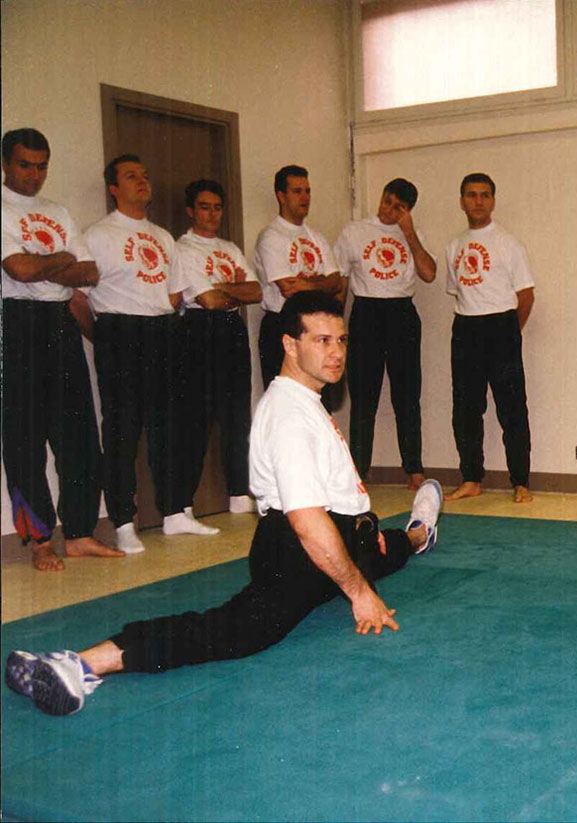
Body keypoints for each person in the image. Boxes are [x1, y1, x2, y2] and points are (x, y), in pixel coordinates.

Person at [4, 292, 445, 717]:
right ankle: (78, 664)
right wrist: (359, 594)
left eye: (341, 340)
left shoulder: (307, 401)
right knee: (240, 631)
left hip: (343, 535)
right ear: (290, 344)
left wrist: (364, 529)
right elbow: (308, 522)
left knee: (384, 552)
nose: (336, 353)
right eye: (322, 340)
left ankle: (420, 531)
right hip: (299, 550)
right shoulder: (289, 417)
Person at [0, 128, 124, 570]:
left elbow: (89, 272)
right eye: (24, 165)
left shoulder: (58, 212)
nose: (34, 175)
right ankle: (39, 541)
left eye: (41, 166)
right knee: (25, 442)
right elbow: (18, 269)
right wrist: (60, 262)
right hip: (16, 322)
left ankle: (79, 533)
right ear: (5, 163)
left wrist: (42, 267)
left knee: (80, 436)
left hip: (60, 321)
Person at [83, 154, 219, 551]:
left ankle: (174, 513)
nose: (142, 181)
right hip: (119, 331)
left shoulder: (162, 237)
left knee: (169, 427)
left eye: (144, 175)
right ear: (113, 188)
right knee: (122, 431)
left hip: (162, 330)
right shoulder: (98, 235)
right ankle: (124, 521)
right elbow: (78, 298)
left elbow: (174, 294)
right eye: (131, 176)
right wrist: (105, 335)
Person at [335, 178, 436, 489]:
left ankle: (414, 469)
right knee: (364, 397)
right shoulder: (354, 231)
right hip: (366, 312)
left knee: (407, 396)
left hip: (402, 313)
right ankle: (358, 471)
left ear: (408, 211)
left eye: (398, 207)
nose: (389, 210)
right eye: (387, 201)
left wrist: (409, 233)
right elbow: (340, 282)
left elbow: (429, 274)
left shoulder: (413, 234)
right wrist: (335, 327)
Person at [170, 179, 262, 517]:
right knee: (195, 420)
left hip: (231, 330)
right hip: (198, 331)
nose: (212, 214)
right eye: (204, 207)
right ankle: (182, 505)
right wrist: (233, 288)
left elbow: (256, 292)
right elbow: (207, 300)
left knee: (237, 416)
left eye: (217, 208)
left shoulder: (230, 248)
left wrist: (225, 289)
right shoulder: (183, 249)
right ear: (191, 211)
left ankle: (239, 494)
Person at [442, 173, 534, 504]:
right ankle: (471, 478)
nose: (478, 201)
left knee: (512, 408)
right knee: (465, 409)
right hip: (466, 327)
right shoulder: (453, 246)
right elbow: (458, 291)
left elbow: (526, 295)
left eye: (484, 195)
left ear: (493, 201)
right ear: (462, 201)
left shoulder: (509, 244)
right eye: (471, 195)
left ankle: (520, 482)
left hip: (502, 327)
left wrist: (509, 333)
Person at [254, 164, 342, 391]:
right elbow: (289, 289)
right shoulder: (271, 237)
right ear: (281, 196)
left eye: (307, 191)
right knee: (285, 395)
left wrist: (305, 284)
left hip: (316, 326)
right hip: (282, 324)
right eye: (297, 191)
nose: (305, 197)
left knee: (319, 397)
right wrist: (320, 284)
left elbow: (336, 282)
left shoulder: (317, 237)